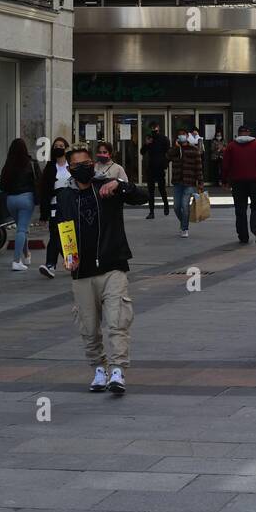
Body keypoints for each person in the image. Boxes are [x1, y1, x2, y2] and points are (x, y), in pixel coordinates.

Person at [53, 147, 149, 394]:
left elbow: (143, 196)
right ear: (70, 169)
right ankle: (98, 368)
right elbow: (62, 229)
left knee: (117, 320)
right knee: (88, 325)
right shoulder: (65, 196)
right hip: (81, 271)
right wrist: (67, 257)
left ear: (93, 164)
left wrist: (120, 184)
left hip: (112, 265)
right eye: (77, 165)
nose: (84, 167)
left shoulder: (108, 187)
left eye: (88, 162)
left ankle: (117, 370)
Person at [221, 125, 256, 245]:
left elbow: (225, 165)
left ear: (238, 133)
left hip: (237, 182)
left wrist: (224, 180)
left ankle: (243, 236)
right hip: (255, 181)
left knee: (240, 209)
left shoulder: (231, 146)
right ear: (249, 133)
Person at [0, 138, 39, 272]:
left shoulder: (8, 165)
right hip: (26, 198)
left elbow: (2, 184)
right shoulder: (31, 163)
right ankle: (16, 261)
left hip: (10, 200)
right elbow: (39, 179)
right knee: (22, 229)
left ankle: (26, 255)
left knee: (22, 227)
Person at [37, 136, 72, 279]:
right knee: (55, 234)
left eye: (61, 145)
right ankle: (51, 265)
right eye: (56, 146)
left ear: (66, 148)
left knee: (68, 234)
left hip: (70, 205)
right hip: (54, 205)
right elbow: (44, 191)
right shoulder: (50, 168)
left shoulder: (72, 165)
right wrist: (43, 214)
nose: (59, 148)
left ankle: (72, 262)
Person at [167, 130, 204, 237]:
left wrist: (200, 182)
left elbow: (198, 167)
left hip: (190, 181)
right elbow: (167, 157)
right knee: (176, 207)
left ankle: (184, 228)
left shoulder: (193, 150)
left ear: (187, 136)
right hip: (178, 182)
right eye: (179, 134)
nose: (182, 136)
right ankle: (183, 222)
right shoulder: (175, 150)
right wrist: (176, 147)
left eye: (184, 134)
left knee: (185, 205)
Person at [140, 124, 171, 219]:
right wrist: (146, 143)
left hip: (160, 167)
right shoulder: (149, 139)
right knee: (151, 191)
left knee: (162, 189)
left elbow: (168, 153)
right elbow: (142, 152)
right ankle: (151, 212)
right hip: (151, 167)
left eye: (155, 128)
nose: (154, 130)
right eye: (152, 128)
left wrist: (165, 164)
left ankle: (166, 205)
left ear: (158, 128)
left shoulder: (164, 139)